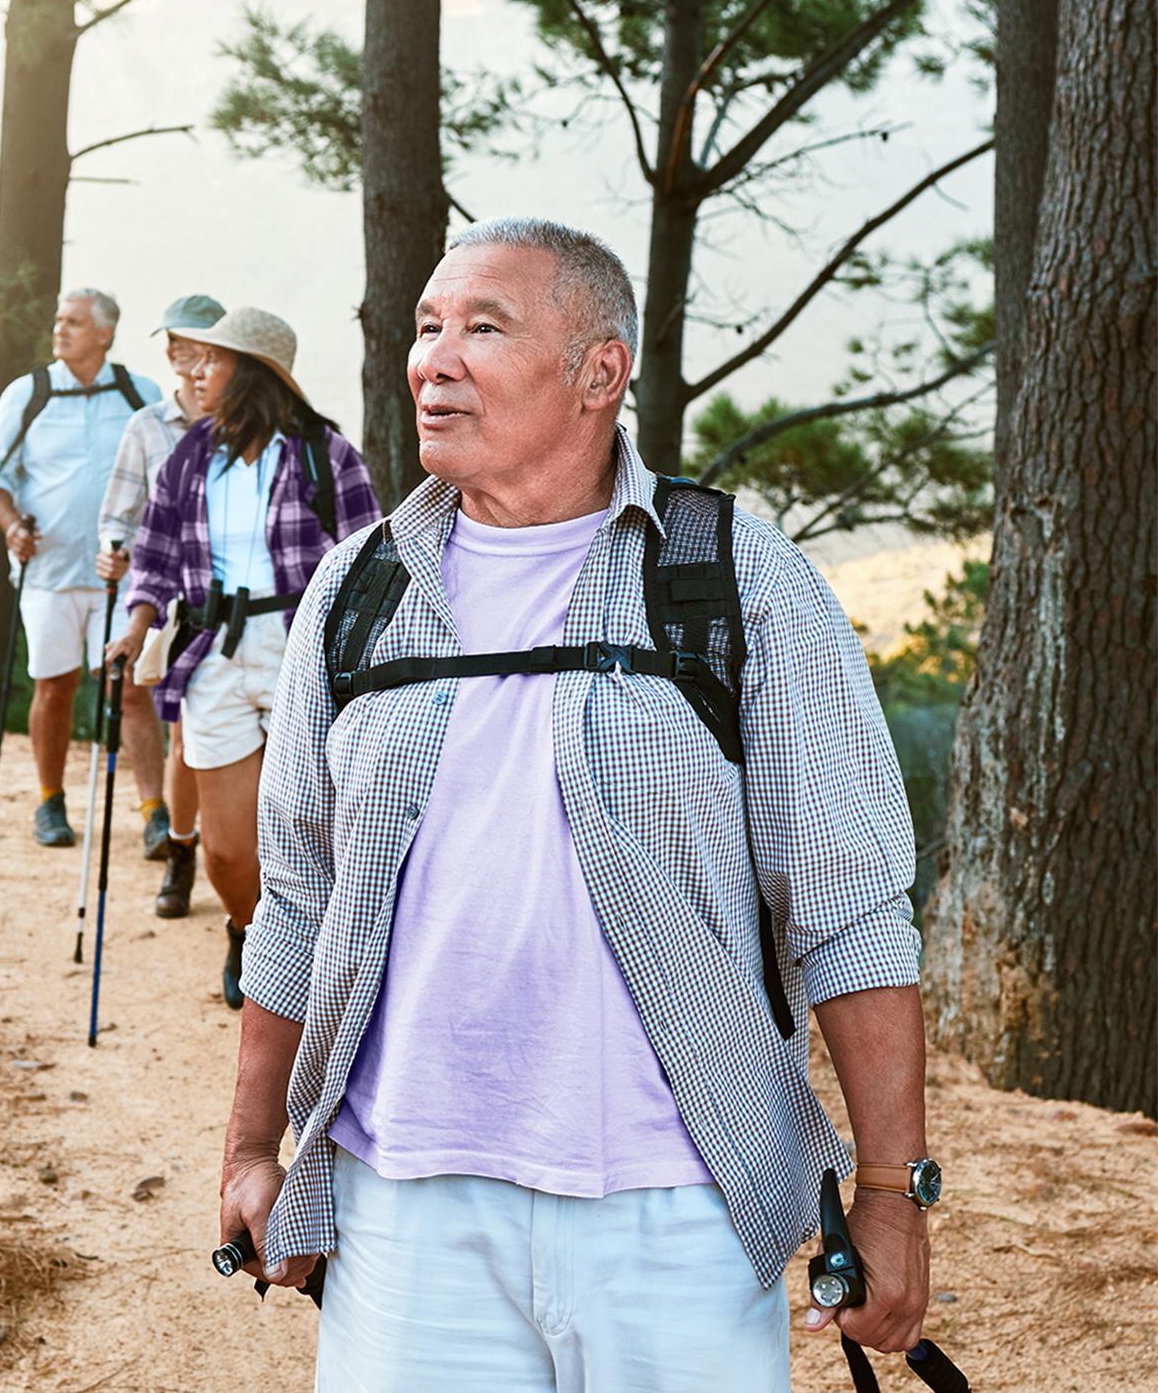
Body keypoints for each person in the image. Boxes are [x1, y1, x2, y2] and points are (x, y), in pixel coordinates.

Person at [220, 219, 935, 1390]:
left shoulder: (738, 582)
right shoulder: (356, 590)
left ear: (598, 372)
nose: (433, 360)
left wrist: (892, 1200)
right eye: (426, 328)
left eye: (482, 328)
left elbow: (849, 913)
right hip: (402, 1212)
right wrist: (252, 1147)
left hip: (676, 1214)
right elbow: (297, 900)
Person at [108, 307, 380, 1009]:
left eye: (214, 361)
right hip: (213, 651)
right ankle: (246, 928)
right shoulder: (190, 456)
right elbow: (155, 556)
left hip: (300, 647)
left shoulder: (326, 454)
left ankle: (300, 966)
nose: (196, 371)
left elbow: (369, 565)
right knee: (228, 851)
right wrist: (137, 626)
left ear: (252, 372)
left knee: (308, 825)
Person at [0, 288, 165, 847]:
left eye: (74, 322)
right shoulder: (28, 394)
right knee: (53, 687)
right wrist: (10, 525)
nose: (60, 330)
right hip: (49, 572)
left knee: (130, 689)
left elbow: (167, 484)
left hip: (121, 576)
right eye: (58, 320)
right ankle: (49, 804)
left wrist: (149, 547)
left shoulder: (138, 394)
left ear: (104, 333)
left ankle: (155, 812)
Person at [97, 293, 224, 914]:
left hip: (225, 605)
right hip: (160, 590)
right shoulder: (147, 426)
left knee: (198, 731)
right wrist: (112, 552)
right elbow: (118, 515)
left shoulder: (248, 425)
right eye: (170, 338)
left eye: (190, 337)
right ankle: (166, 829)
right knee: (155, 713)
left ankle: (203, 846)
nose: (176, 348)